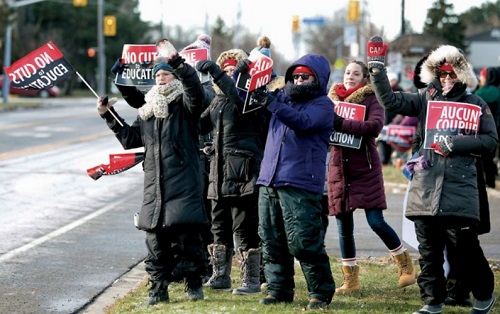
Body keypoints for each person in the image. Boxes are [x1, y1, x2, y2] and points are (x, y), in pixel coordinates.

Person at [367, 36, 497, 314]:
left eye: (451, 73)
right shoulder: (425, 99)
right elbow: (390, 100)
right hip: (425, 187)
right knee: (429, 252)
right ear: (434, 75)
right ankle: (432, 302)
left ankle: (485, 295)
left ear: (461, 74)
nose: (447, 79)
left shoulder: (475, 104)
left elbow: (490, 142)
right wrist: (377, 68)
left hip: (459, 188)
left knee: (466, 250)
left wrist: (457, 143)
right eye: (441, 73)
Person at [97, 46, 209, 305]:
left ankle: (194, 285)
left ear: (175, 77)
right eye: (158, 75)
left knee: (188, 240)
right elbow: (130, 139)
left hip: (184, 184)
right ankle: (158, 290)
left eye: (167, 74)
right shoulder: (147, 110)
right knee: (155, 243)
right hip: (155, 187)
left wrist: (177, 62)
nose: (161, 78)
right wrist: (108, 115)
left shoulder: (187, 104)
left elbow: (194, 88)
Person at [194, 36, 282, 295]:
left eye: (233, 70)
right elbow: (199, 126)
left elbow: (236, 95)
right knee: (218, 227)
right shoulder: (217, 101)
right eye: (225, 70)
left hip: (244, 172)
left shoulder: (250, 98)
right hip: (218, 172)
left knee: (244, 228)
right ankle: (220, 275)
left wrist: (222, 75)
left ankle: (251, 280)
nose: (228, 74)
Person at [249, 54, 336, 310]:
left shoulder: (323, 105)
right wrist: (238, 76)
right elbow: (240, 99)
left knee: (304, 242)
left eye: (304, 76)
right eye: (295, 76)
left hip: (300, 182)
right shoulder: (280, 100)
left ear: (317, 79)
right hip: (270, 180)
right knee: (271, 239)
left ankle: (320, 292)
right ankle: (279, 289)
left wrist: (272, 105)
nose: (298, 80)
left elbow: (303, 122)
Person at [326, 60, 416, 294]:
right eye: (347, 73)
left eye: (356, 74)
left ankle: (405, 263)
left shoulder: (371, 98)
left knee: (376, 222)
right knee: (344, 227)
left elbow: (375, 126)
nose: (350, 77)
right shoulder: (332, 99)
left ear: (364, 78)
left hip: (365, 167)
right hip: (339, 168)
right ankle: (350, 280)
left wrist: (342, 124)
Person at [474, 67, 500, 188]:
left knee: (486, 158)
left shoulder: (486, 92)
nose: (481, 79)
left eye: (483, 76)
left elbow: (472, 100)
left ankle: (489, 182)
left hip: (491, 129)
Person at [378, 72, 401, 165]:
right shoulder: (384, 91)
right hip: (384, 121)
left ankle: (390, 160)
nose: (393, 82)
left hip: (395, 122)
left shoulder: (400, 91)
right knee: (382, 140)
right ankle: (384, 160)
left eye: (394, 80)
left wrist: (398, 118)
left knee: (391, 142)